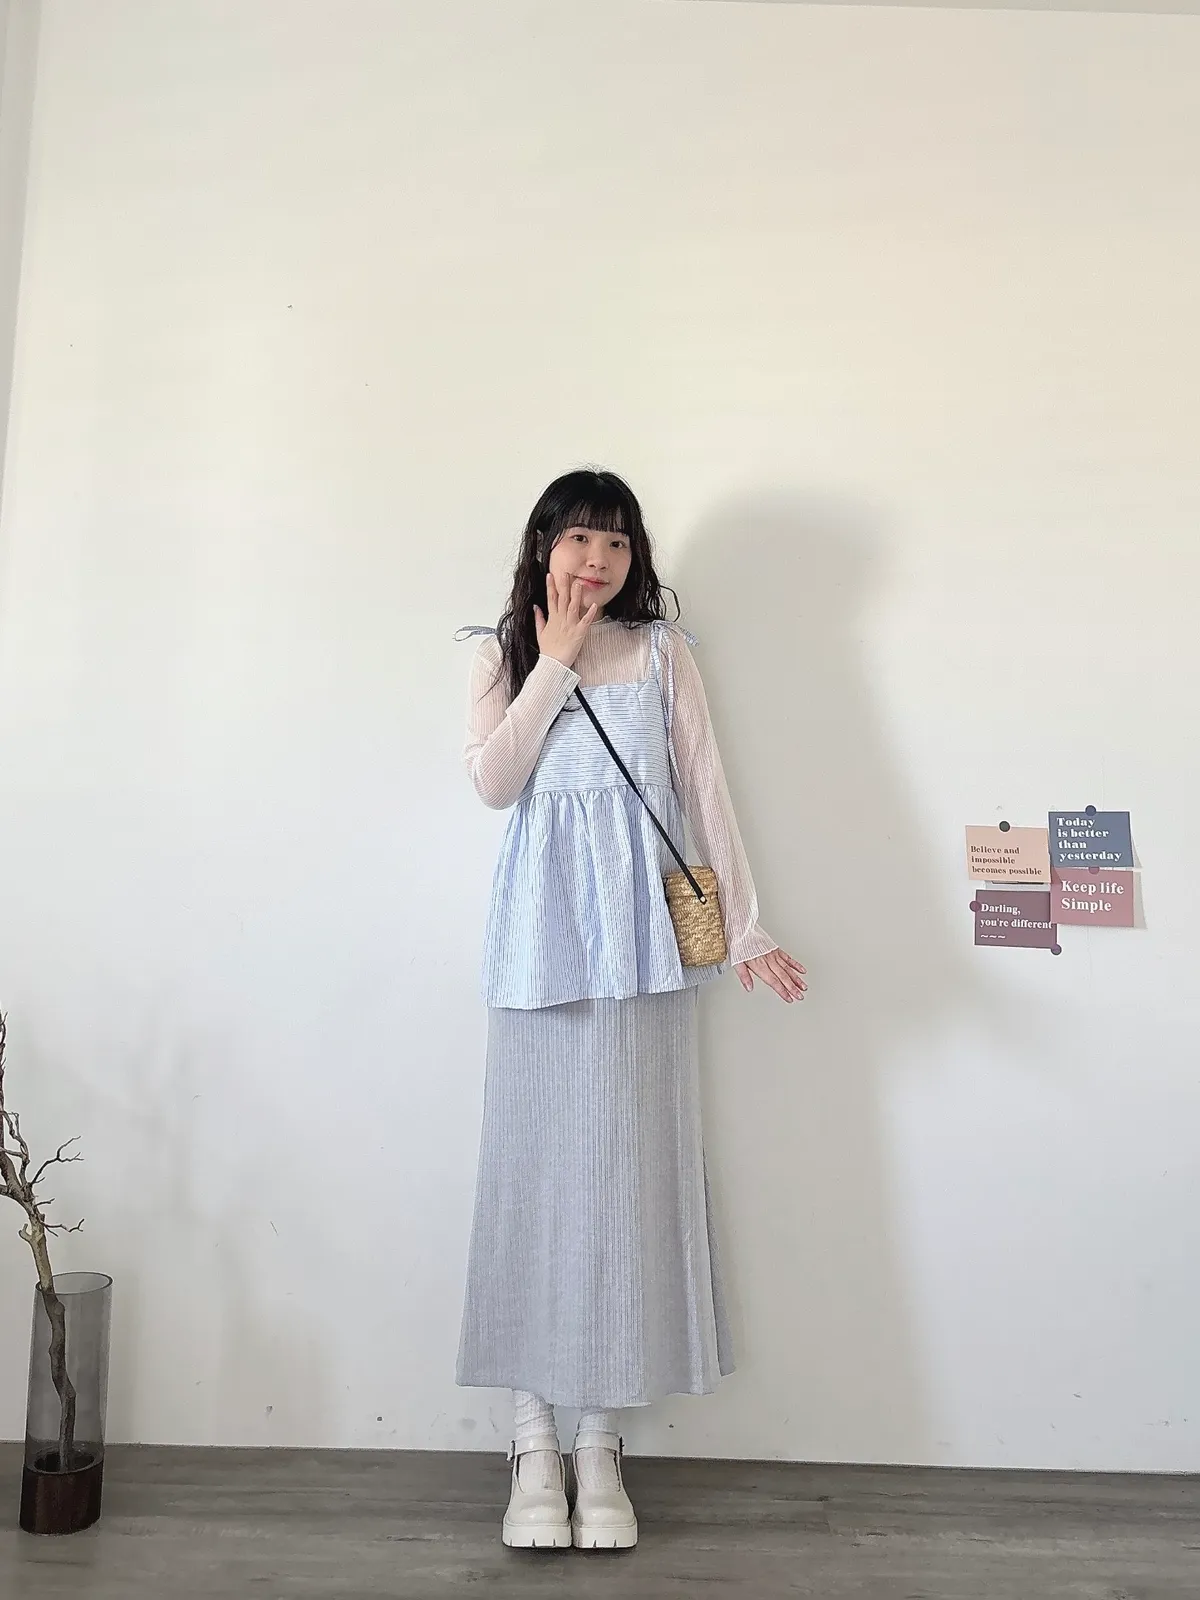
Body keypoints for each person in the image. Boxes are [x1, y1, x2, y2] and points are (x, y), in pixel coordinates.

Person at [455, 468, 806, 1550]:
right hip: (539, 940)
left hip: (646, 942)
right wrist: (554, 661)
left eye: (616, 541)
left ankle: (600, 1439)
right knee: (533, 1177)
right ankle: (532, 1437)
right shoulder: (499, 652)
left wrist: (745, 925)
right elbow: (494, 784)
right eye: (580, 538)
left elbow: (704, 786)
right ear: (544, 546)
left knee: (624, 1182)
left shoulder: (662, 653)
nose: (598, 559)